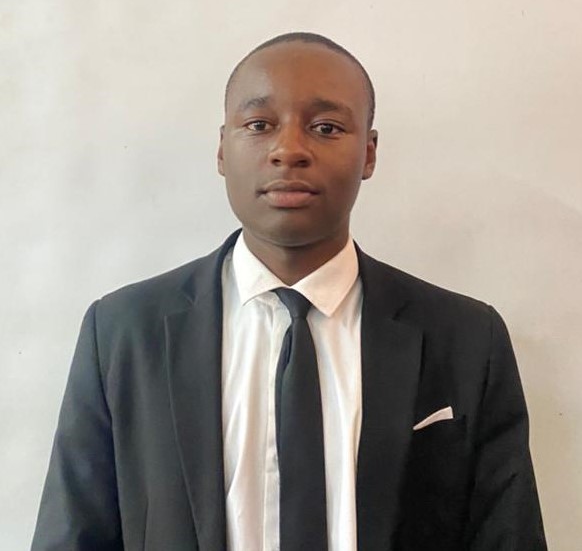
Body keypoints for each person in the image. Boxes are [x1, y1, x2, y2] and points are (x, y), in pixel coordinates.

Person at [32, 32, 547, 550]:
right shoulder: (123, 332)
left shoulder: (466, 339)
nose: (289, 150)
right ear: (222, 148)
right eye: (259, 125)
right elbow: (73, 535)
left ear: (368, 154)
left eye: (326, 128)